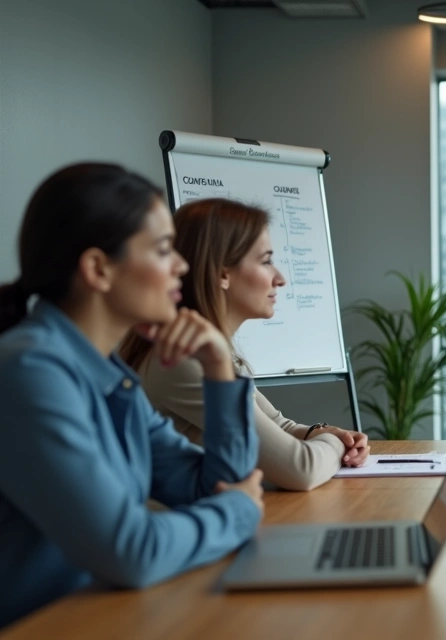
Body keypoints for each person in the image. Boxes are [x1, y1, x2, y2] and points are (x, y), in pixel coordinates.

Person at [0, 164, 263, 627]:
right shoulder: (30, 371)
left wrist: (219, 367)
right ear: (98, 269)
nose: (181, 264)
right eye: (164, 249)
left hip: (100, 618)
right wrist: (239, 509)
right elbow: (133, 550)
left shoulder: (104, 373)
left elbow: (210, 486)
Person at [121, 198, 368, 491]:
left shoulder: (211, 351)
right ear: (223, 273)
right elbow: (300, 469)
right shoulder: (185, 359)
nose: (280, 279)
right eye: (265, 261)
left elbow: (279, 426)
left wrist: (325, 433)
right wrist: (336, 447)